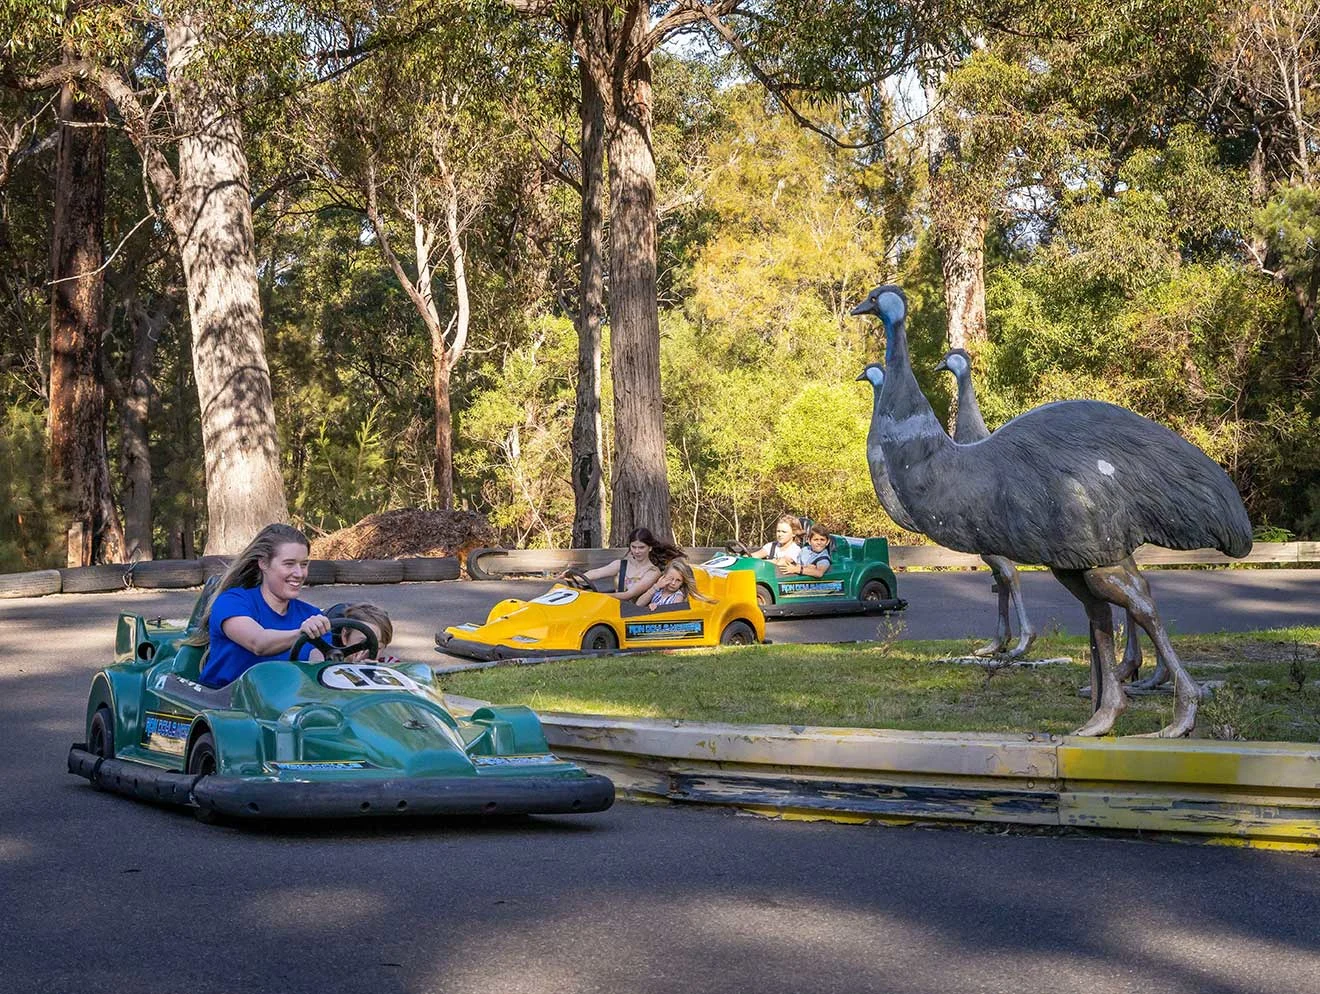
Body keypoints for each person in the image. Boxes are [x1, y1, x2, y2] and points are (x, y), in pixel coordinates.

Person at [186, 523, 330, 688]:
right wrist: (302, 634)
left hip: (284, 705)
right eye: (289, 564)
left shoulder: (311, 615)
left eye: (303, 564)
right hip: (224, 704)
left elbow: (318, 666)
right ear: (263, 564)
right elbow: (258, 643)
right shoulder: (232, 602)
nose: (299, 573)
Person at [559, 527, 684, 602]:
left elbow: (628, 595)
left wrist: (595, 597)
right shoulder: (622, 564)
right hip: (613, 606)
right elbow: (596, 573)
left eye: (641, 547)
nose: (637, 551)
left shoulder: (653, 572)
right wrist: (573, 577)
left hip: (633, 612)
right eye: (633, 547)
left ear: (650, 548)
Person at [635, 559, 713, 611]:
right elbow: (639, 604)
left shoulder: (678, 596)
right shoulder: (658, 590)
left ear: (682, 582)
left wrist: (658, 608)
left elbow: (673, 612)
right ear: (664, 576)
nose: (673, 583)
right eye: (670, 578)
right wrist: (656, 586)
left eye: (678, 580)